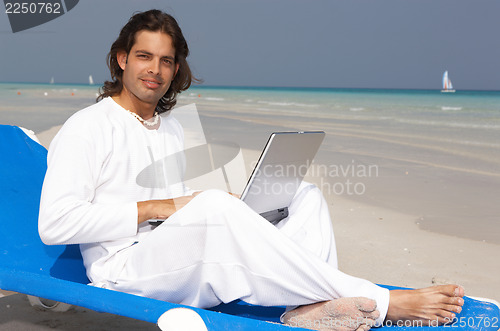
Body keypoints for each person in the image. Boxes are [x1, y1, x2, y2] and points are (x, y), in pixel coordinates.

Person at [39, 9, 464, 330]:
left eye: (166, 61)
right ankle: (382, 301)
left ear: (176, 68)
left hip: (173, 253)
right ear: (120, 60)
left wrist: (225, 208)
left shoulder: (166, 127)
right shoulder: (87, 126)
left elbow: (178, 210)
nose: (155, 70)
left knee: (302, 196)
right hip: (124, 270)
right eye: (144, 57)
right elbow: (54, 225)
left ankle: (310, 308)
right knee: (213, 208)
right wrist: (163, 207)